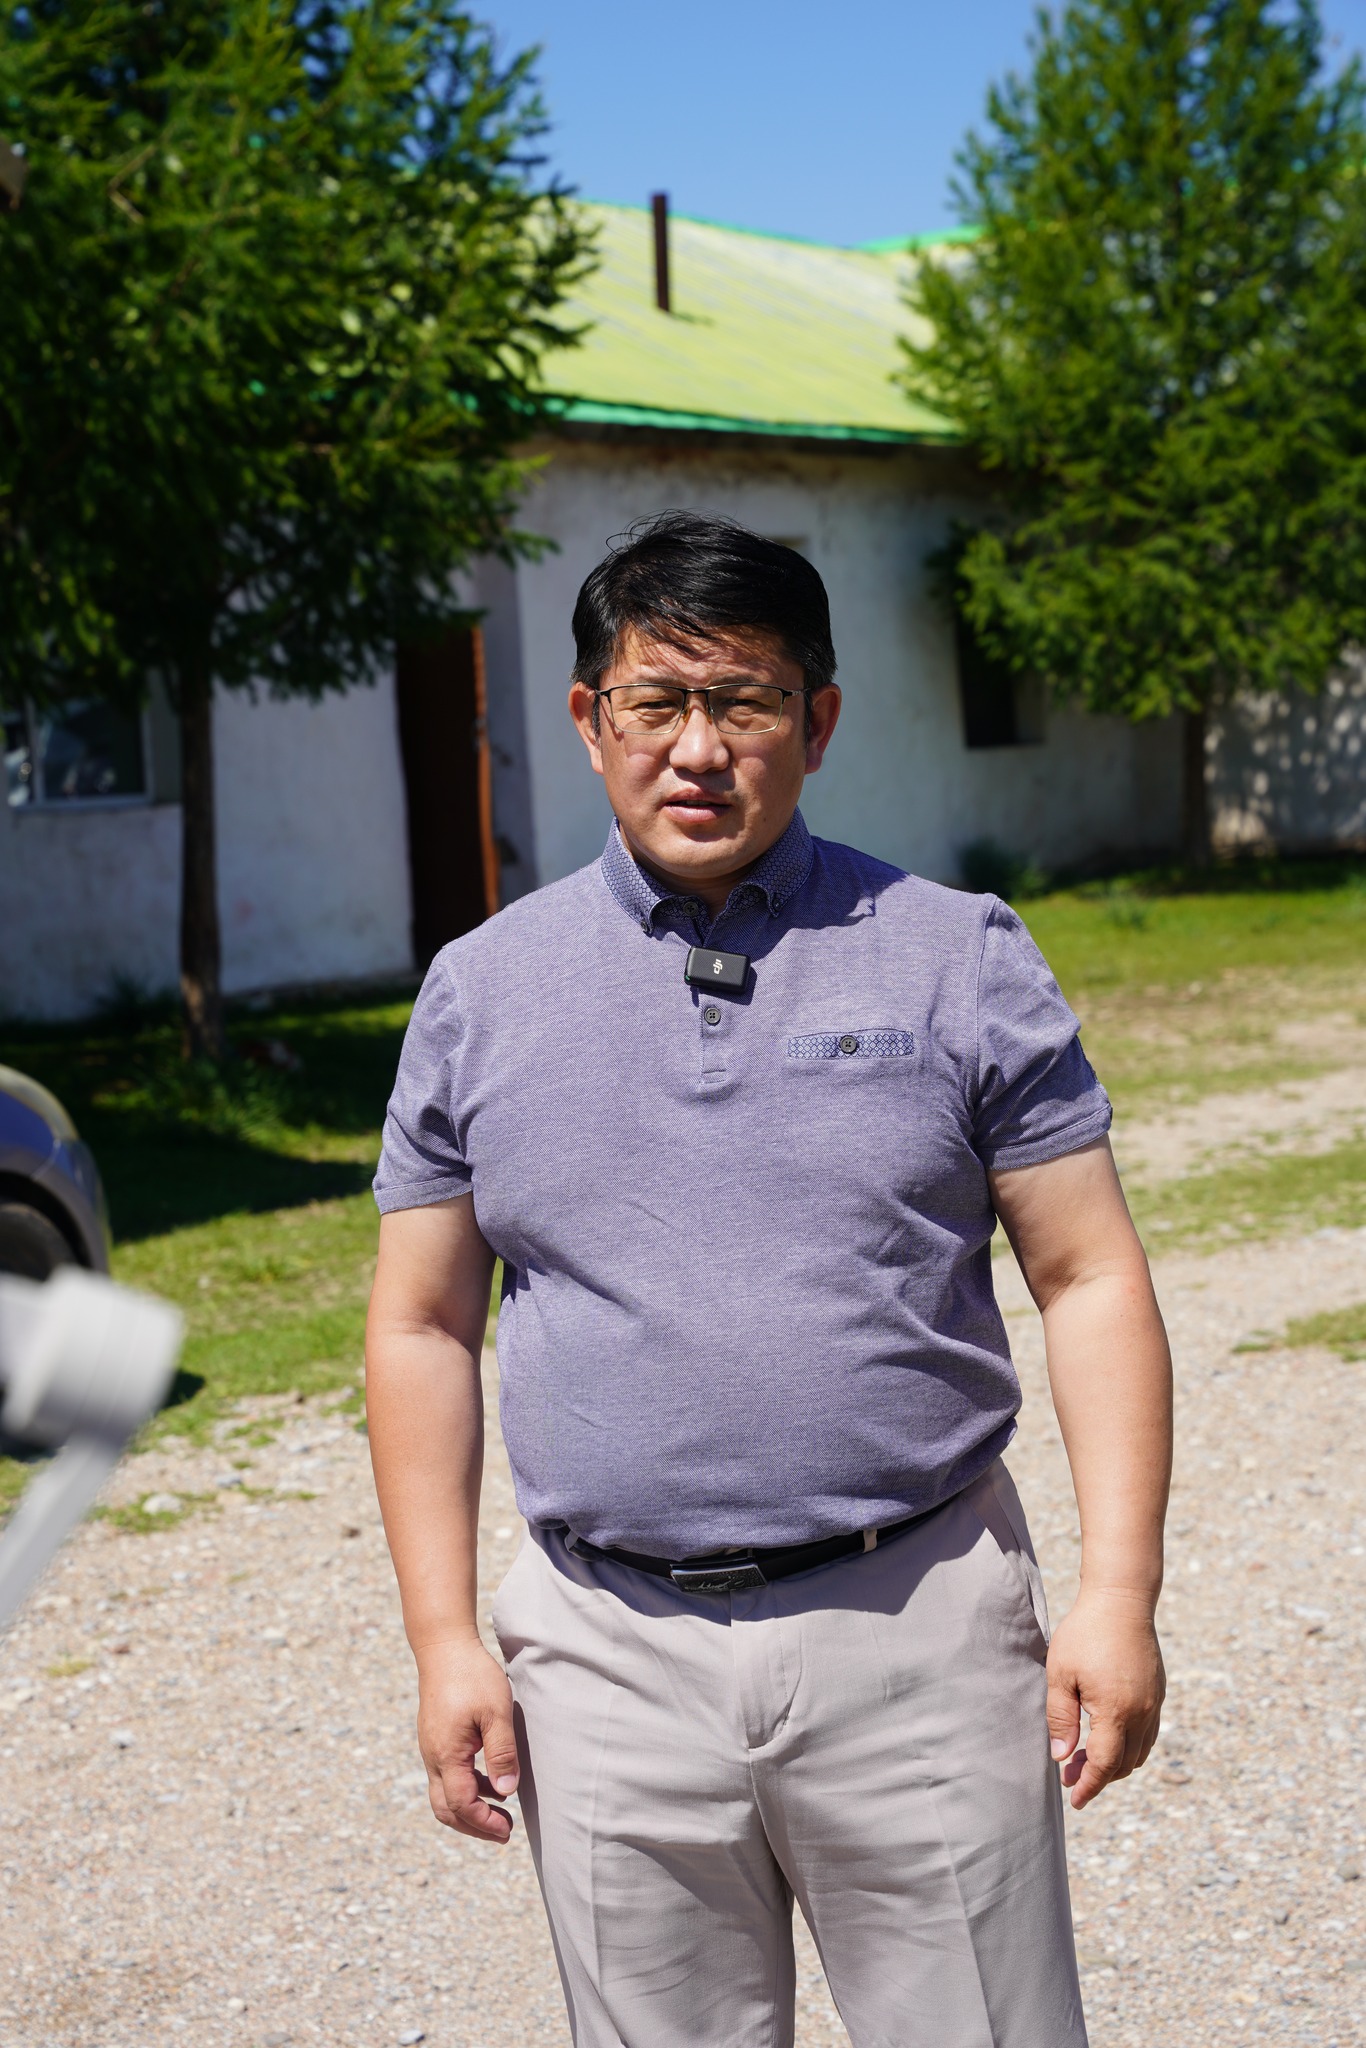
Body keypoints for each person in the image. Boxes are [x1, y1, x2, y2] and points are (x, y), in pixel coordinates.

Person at [365, 512, 1172, 2048]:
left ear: (817, 721)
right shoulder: (478, 994)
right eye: (654, 703)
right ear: (588, 719)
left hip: (917, 1623)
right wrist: (443, 1636)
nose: (696, 749)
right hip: (603, 1654)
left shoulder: (954, 956)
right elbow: (419, 1323)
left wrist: (1117, 1594)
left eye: (741, 702)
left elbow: (1087, 1277)